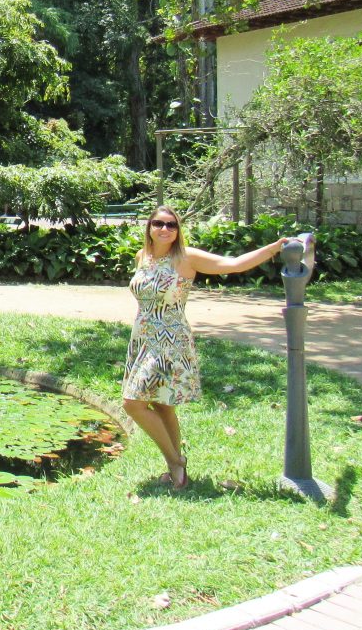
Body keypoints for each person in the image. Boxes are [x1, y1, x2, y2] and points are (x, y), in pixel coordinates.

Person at [122, 206, 287, 491]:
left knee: (132, 403)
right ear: (149, 227)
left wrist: (272, 249)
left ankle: (174, 461)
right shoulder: (143, 258)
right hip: (144, 338)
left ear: (178, 230)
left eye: (171, 225)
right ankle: (177, 468)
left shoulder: (186, 258)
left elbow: (233, 264)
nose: (165, 229)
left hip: (169, 340)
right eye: (159, 224)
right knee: (162, 404)